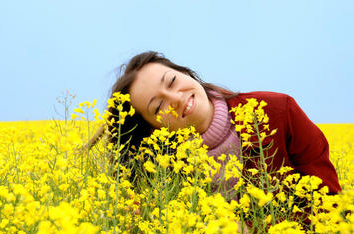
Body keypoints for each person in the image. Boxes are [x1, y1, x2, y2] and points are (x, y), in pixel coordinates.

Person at [104, 51, 341, 195]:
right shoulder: (164, 178)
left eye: (172, 81)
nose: (176, 98)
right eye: (158, 107)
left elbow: (329, 202)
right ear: (153, 128)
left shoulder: (278, 111)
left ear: (185, 73)